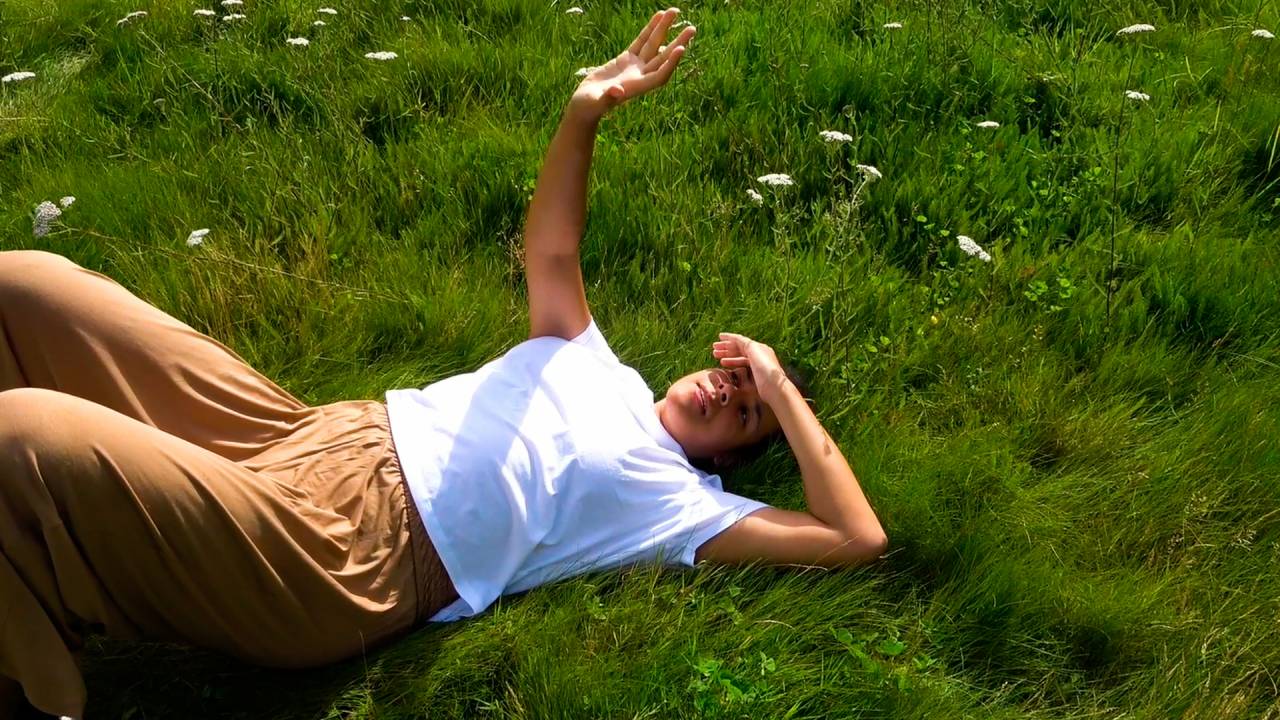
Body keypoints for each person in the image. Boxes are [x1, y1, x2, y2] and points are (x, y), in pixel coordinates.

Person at [0, 8, 886, 718]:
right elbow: (551, 253)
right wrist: (585, 110)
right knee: (28, 286)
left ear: (729, 457)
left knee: (25, 434)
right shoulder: (596, 363)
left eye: (743, 411)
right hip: (306, 432)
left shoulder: (682, 509)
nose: (725, 393)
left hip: (343, 560)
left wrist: (780, 384)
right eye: (731, 378)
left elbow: (854, 539)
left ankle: (38, 682)